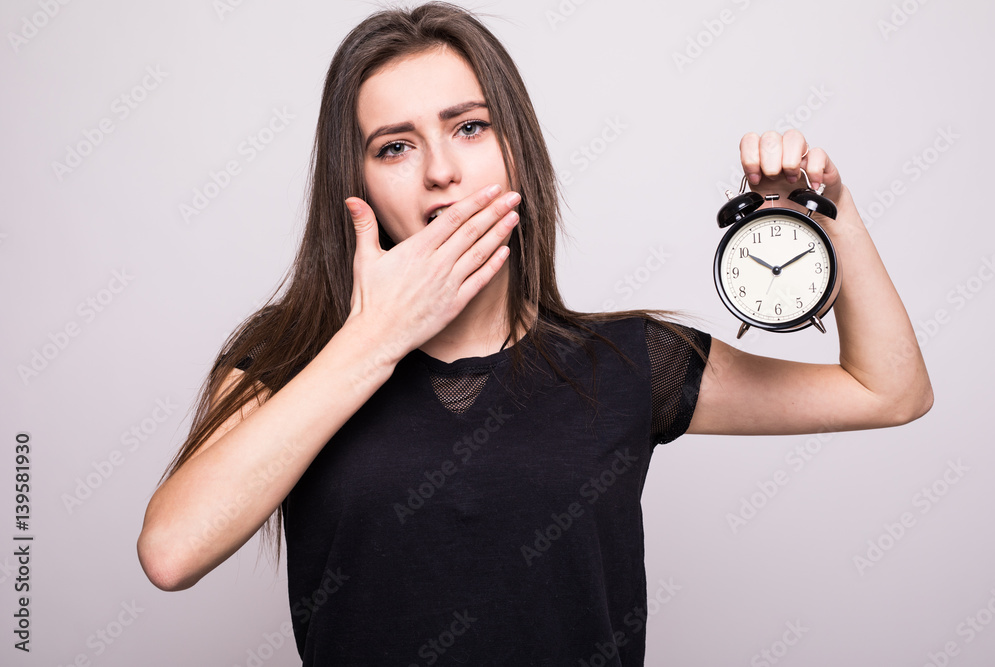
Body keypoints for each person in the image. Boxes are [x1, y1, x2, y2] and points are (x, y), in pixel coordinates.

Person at [136, 2, 932, 665]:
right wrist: (374, 337)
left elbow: (888, 389)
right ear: (359, 183)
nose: (441, 171)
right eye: (395, 146)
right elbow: (171, 552)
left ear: (517, 150)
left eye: (470, 127)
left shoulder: (626, 362)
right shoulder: (288, 357)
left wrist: (829, 207)